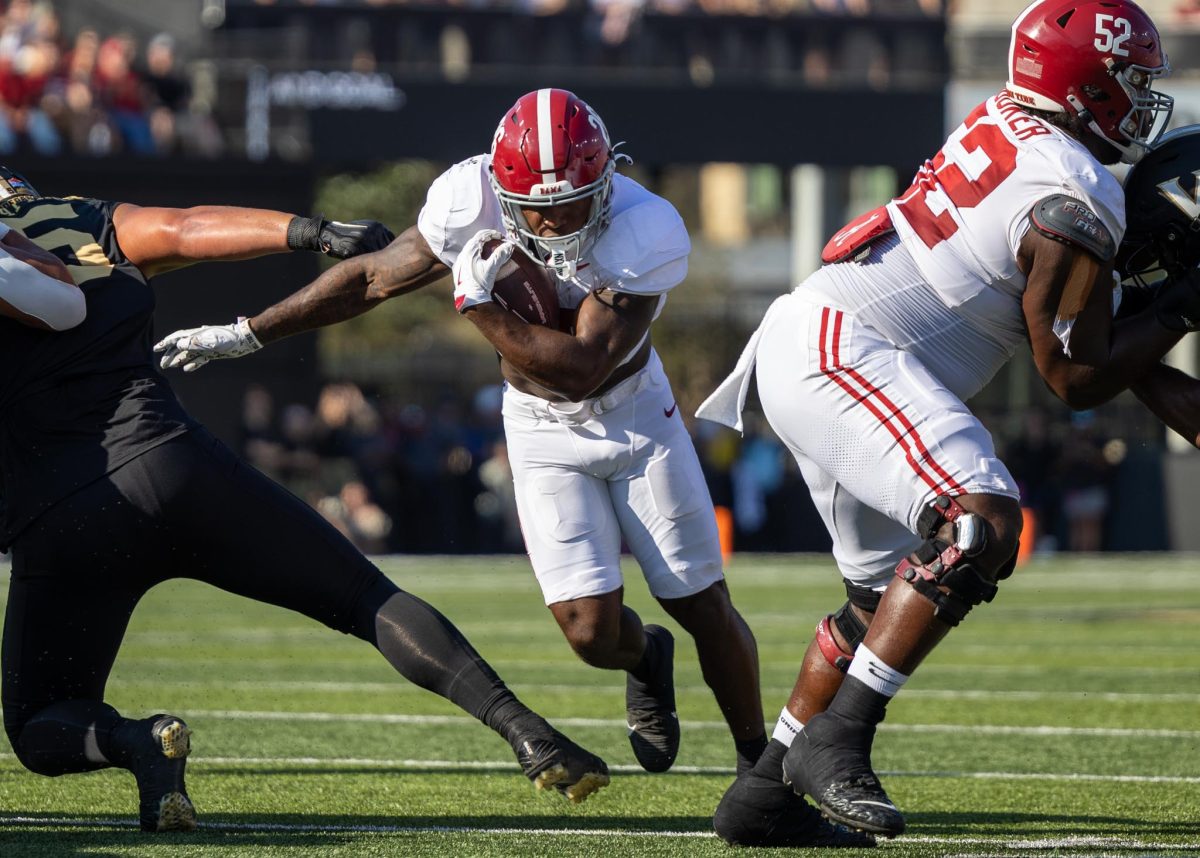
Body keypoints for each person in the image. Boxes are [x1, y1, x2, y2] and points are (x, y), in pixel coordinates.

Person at [153, 87, 798, 826]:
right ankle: (646, 657)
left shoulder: (647, 225)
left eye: (575, 202)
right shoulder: (469, 198)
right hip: (537, 425)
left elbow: (584, 365)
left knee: (698, 600)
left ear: (607, 180)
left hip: (634, 413)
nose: (554, 222)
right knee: (590, 633)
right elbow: (373, 277)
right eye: (539, 205)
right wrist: (250, 332)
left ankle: (759, 766)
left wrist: (479, 307)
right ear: (499, 185)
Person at [696, 0, 1191, 843]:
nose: (1142, 99)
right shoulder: (1077, 192)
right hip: (849, 353)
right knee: (980, 523)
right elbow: (1072, 378)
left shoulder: (1021, 129)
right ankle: (839, 741)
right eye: (1130, 81)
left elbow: (1117, 361)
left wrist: (1154, 304)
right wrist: (1178, 304)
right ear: (1086, 84)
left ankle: (763, 797)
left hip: (820, 340)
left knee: (875, 601)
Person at [0, 168, 610, 835]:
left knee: (40, 724)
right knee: (366, 600)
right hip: (171, 463)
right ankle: (528, 733)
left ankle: (137, 742)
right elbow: (186, 227)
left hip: (64, 515)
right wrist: (309, 232)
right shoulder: (77, 222)